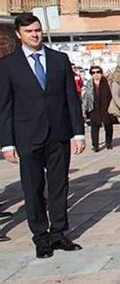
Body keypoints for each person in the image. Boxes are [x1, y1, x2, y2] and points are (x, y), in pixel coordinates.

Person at [0, 13, 87, 259]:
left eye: (37, 30)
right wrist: (7, 143)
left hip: (58, 134)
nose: (35, 34)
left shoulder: (59, 60)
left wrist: (78, 133)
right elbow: (4, 107)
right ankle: (41, 237)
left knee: (59, 186)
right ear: (19, 35)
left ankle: (59, 233)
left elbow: (72, 99)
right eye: (29, 31)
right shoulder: (8, 65)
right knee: (33, 188)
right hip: (27, 137)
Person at [82, 66, 115, 152]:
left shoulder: (107, 82)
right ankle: (95, 145)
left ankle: (108, 142)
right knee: (94, 127)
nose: (96, 74)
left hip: (106, 107)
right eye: (93, 72)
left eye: (98, 72)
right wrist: (84, 109)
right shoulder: (89, 83)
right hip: (94, 108)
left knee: (108, 125)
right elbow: (85, 97)